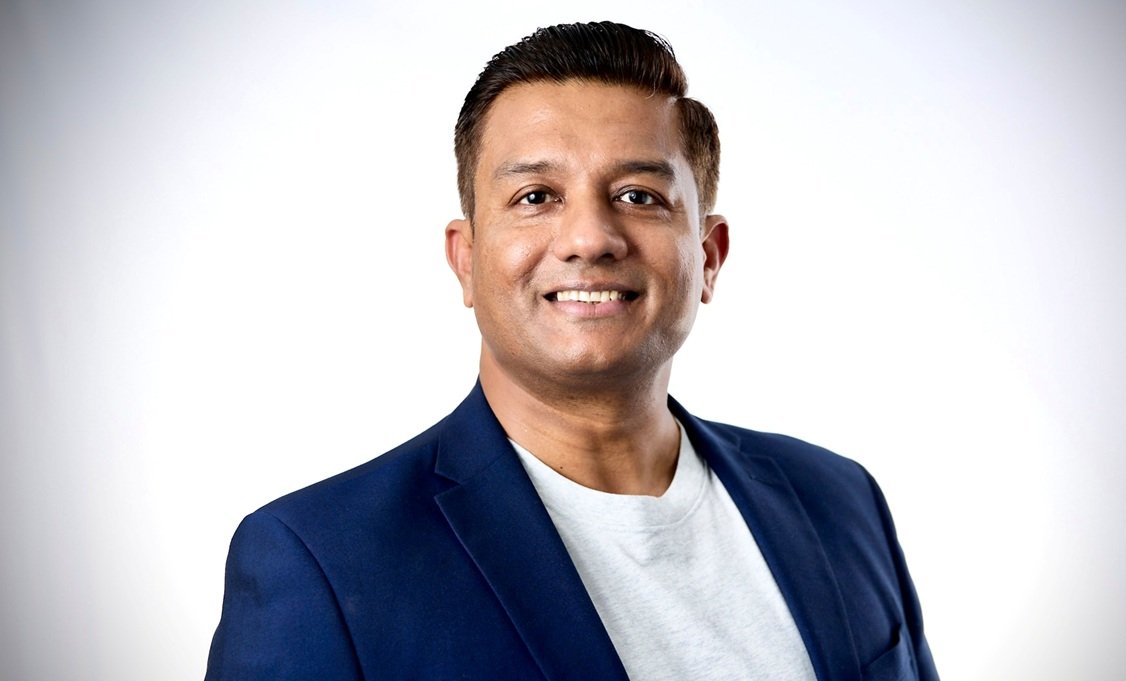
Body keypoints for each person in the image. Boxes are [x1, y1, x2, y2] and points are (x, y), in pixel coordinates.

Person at [205, 21, 938, 681]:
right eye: (536, 196)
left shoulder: (840, 500)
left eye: (639, 195)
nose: (590, 238)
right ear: (465, 260)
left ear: (709, 256)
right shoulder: (322, 562)